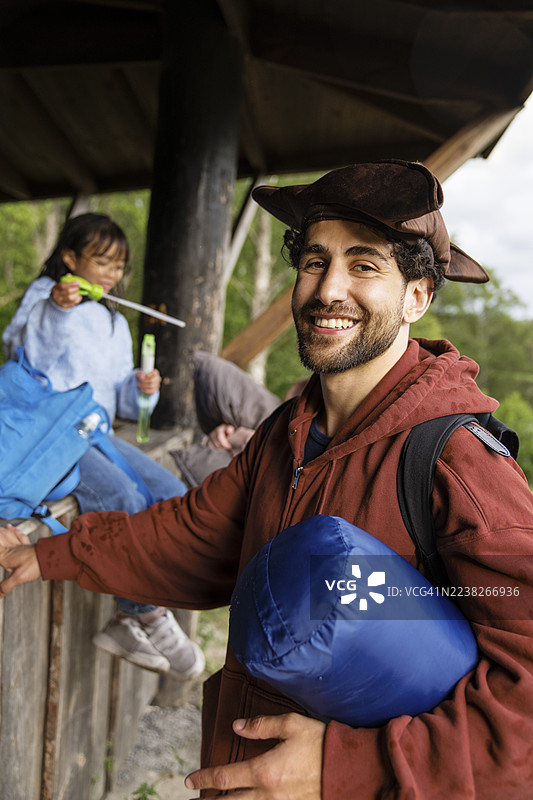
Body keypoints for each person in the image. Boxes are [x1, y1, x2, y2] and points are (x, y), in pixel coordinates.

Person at [1, 161, 533, 799]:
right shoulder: (291, 429)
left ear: (416, 296)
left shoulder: (457, 460)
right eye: (314, 261)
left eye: (363, 266)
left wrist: (350, 767)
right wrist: (44, 552)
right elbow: (193, 537)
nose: (328, 288)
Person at [1, 213, 204, 681]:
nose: (113, 274)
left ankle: (128, 613)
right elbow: (26, 354)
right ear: (70, 258)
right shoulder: (46, 297)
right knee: (124, 499)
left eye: (119, 266)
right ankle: (142, 613)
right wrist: (56, 307)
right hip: (56, 434)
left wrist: (142, 389)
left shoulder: (115, 320)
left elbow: (120, 395)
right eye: (103, 262)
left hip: (101, 431)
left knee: (174, 495)